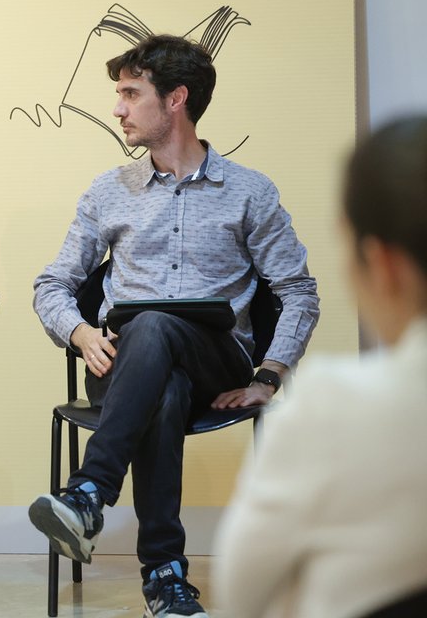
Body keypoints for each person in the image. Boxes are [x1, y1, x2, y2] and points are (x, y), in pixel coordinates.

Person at [29, 35, 320, 618]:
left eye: (131, 94)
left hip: (218, 361)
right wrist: (81, 334)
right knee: (161, 385)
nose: (117, 109)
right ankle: (165, 578)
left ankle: (90, 490)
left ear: (176, 100)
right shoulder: (109, 191)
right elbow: (51, 286)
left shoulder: (248, 191)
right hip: (124, 369)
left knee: (156, 322)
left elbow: (298, 292)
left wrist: (270, 375)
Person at [214, 116, 427, 618]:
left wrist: (268, 374)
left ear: (382, 263)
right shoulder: (107, 193)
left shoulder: (333, 405)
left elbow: (242, 592)